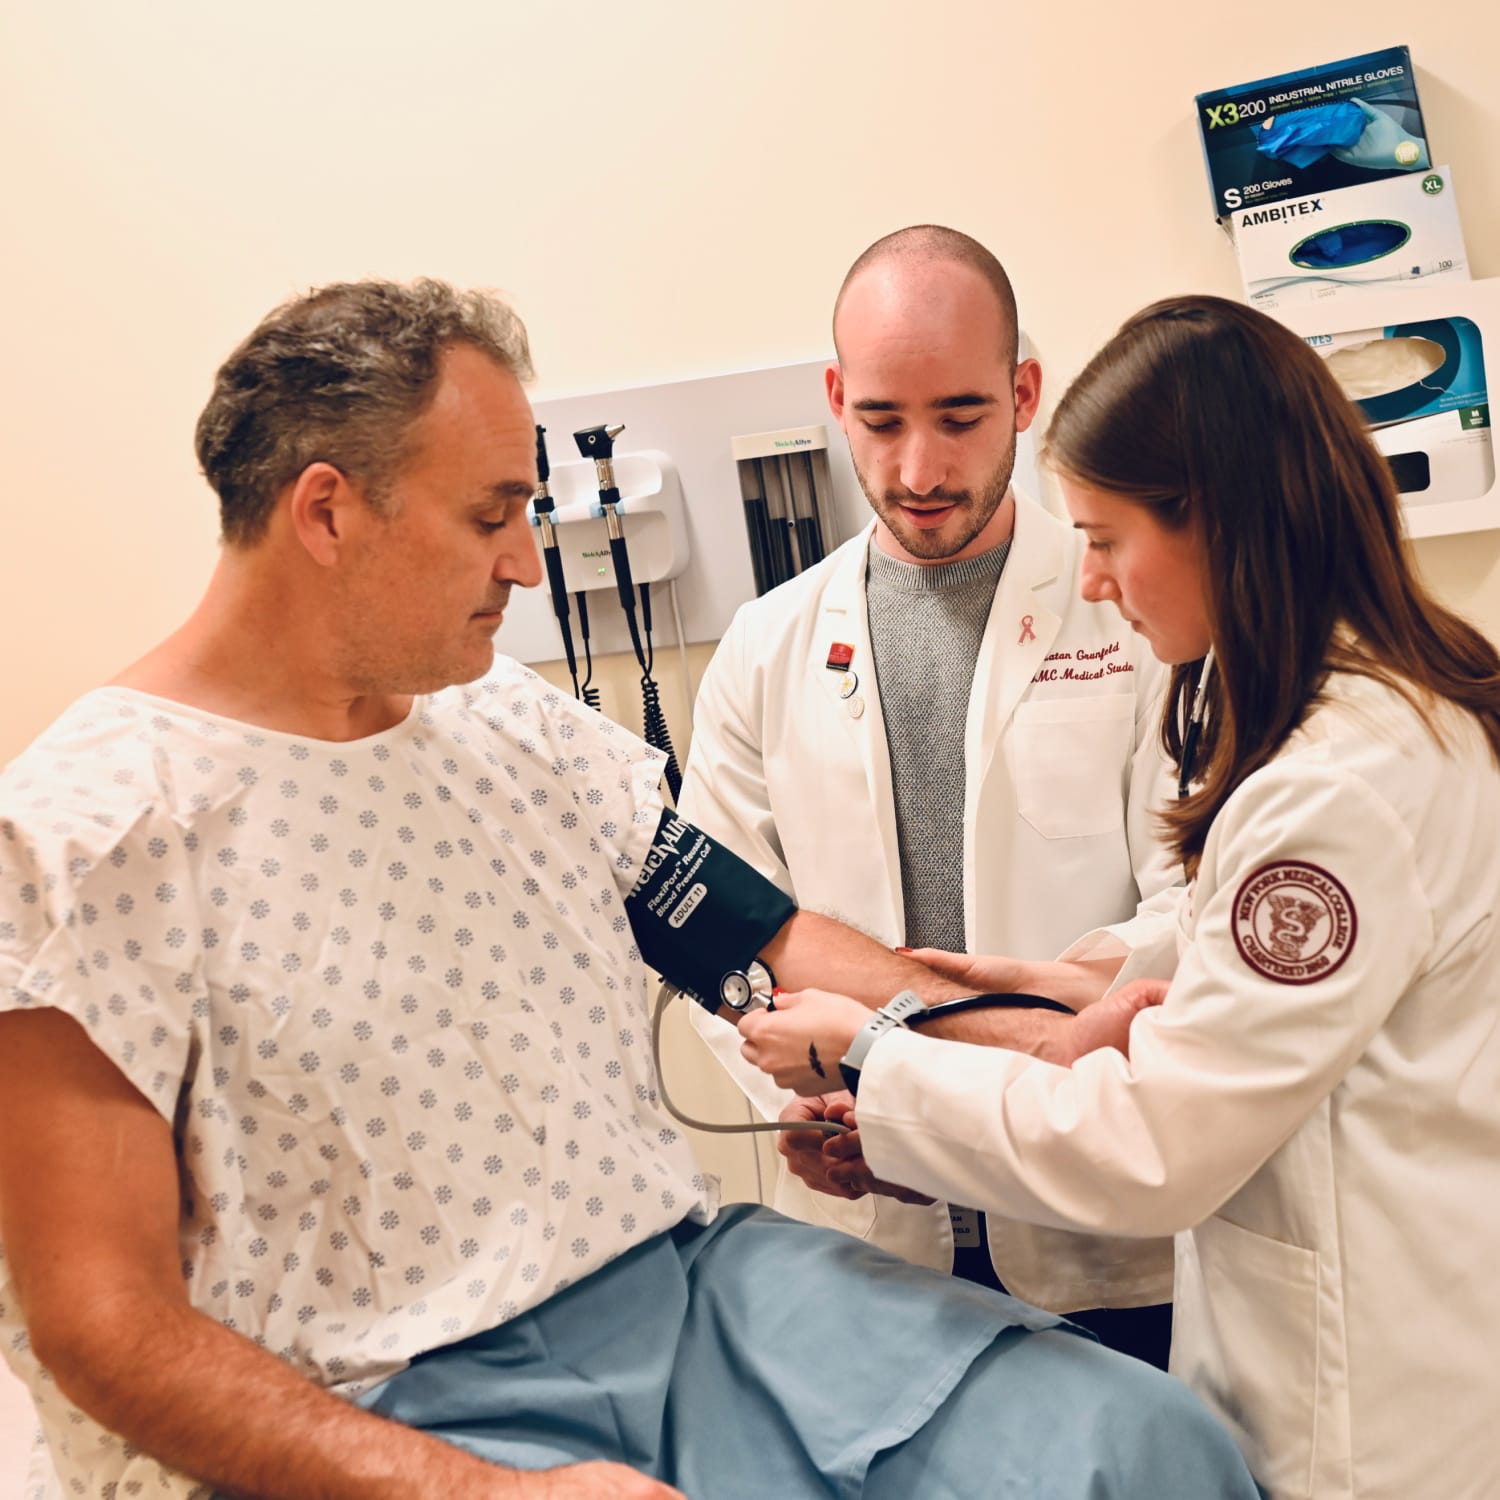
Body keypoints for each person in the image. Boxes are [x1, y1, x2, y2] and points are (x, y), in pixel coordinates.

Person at [0, 279, 1261, 1500]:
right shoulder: (89, 840)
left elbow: (758, 945)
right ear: (328, 513)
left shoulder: (511, 730)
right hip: (388, 1392)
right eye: (491, 517)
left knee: (1134, 1449)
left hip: (696, 1291)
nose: (525, 568)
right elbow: (103, 1327)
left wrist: (1048, 1041)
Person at [739, 293, 1500, 1500]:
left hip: (1371, 1417)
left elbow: (1156, 1146)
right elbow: (1257, 981)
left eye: (1106, 537)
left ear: (1222, 524)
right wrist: (1073, 981)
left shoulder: (1336, 789)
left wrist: (879, 1053)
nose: (1090, 581)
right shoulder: (1390, 708)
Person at [679, 225, 1179, 1363]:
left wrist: (970, 1072)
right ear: (835, 397)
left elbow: (1190, 911)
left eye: (960, 418)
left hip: (1102, 1230)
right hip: (867, 1238)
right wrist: (804, 1104)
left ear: (1024, 393)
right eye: (881, 421)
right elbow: (722, 932)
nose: (919, 470)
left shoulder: (1136, 613)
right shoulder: (765, 648)